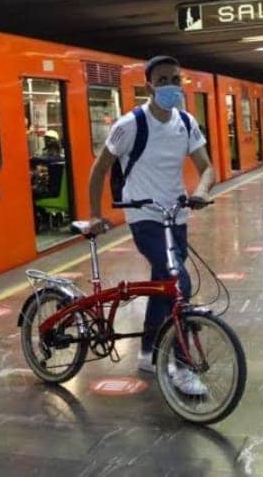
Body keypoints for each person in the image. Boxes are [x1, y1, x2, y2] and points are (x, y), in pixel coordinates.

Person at [87, 56, 215, 395]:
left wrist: (201, 191)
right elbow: (99, 169)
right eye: (163, 80)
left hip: (176, 214)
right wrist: (94, 215)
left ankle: (146, 352)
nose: (172, 85)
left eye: (176, 78)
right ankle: (183, 367)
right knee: (179, 281)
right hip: (143, 216)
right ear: (149, 86)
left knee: (163, 283)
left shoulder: (186, 122)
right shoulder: (130, 125)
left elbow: (206, 167)